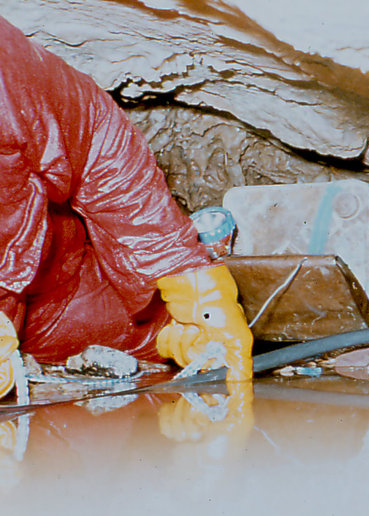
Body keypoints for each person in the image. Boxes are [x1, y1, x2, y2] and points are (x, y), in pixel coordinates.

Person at [0, 16, 253, 400]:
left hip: (58, 286)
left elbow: (92, 136)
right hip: (36, 316)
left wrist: (182, 274)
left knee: (165, 337)